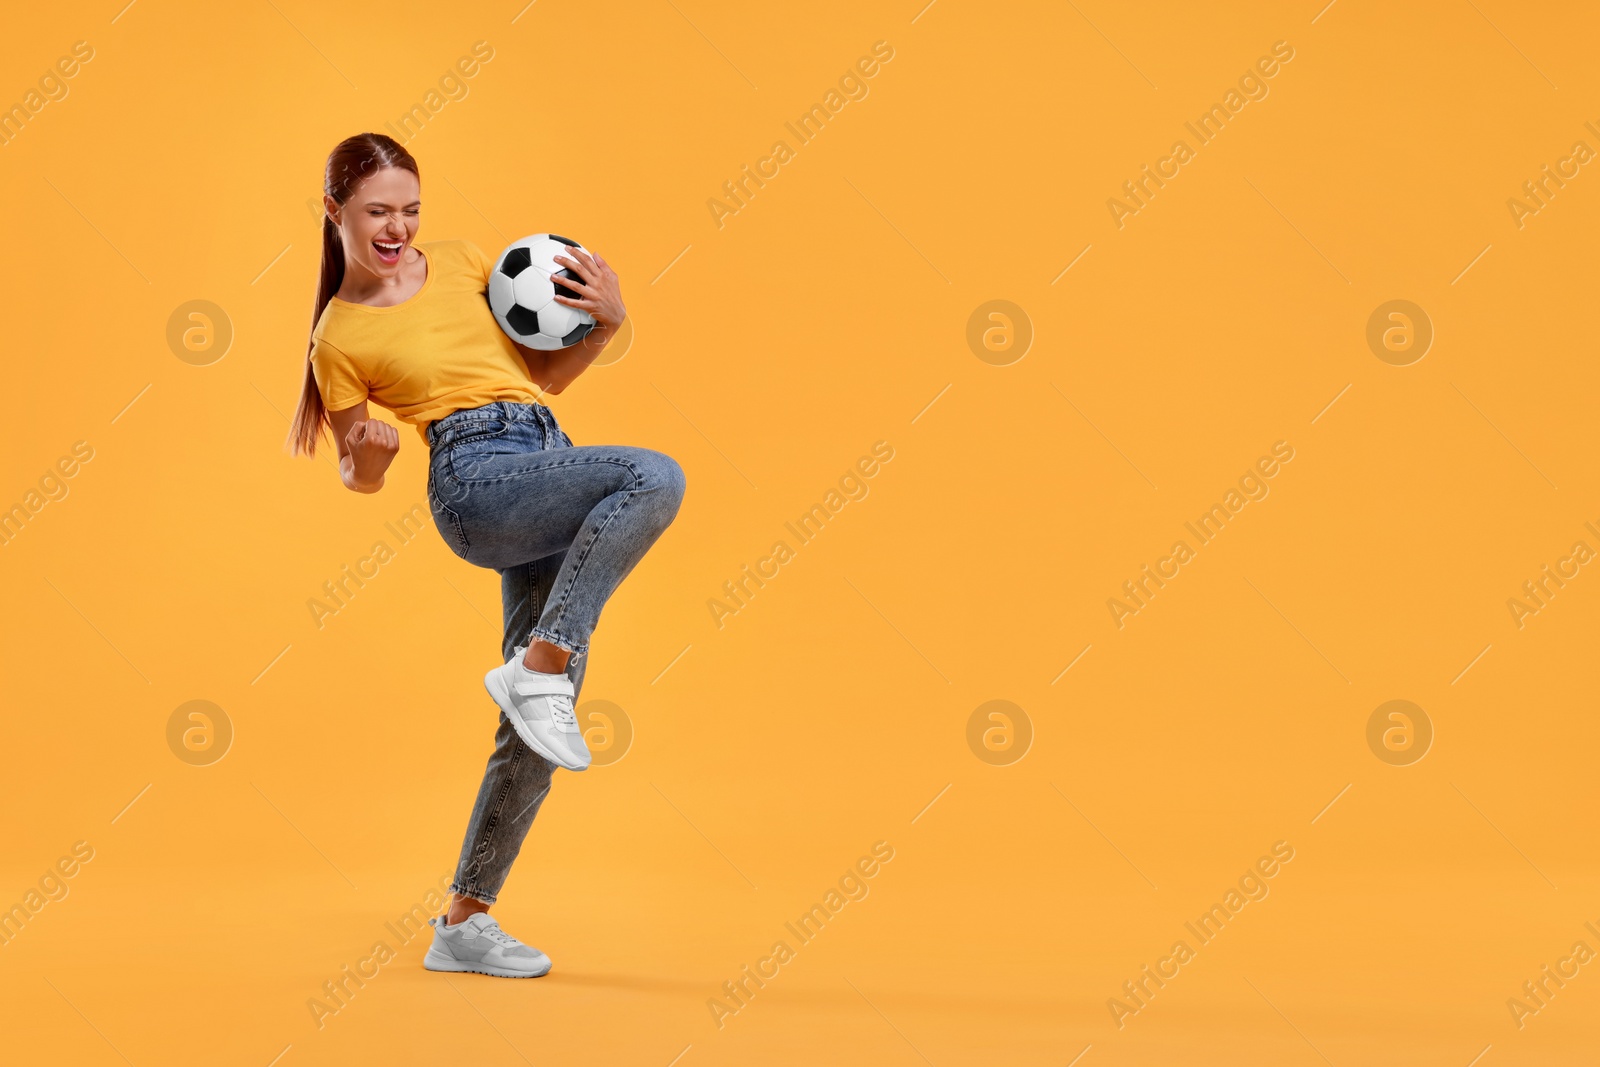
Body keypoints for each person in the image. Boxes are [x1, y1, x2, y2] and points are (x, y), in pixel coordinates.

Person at [288, 132, 685, 978]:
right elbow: (359, 472)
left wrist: (608, 325)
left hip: (544, 458)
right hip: (474, 483)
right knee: (655, 477)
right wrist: (372, 454)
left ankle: (463, 922)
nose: (397, 227)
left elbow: (541, 381)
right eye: (377, 212)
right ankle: (545, 661)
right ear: (335, 212)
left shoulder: (467, 260)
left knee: (536, 729)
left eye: (410, 209)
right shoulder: (338, 337)